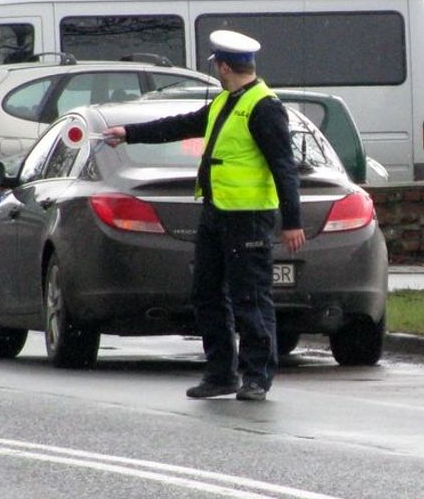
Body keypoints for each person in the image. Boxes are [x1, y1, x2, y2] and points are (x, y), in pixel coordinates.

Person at [102, 30, 304, 402]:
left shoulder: (264, 107)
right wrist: (128, 133)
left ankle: (256, 375)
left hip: (249, 216)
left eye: (216, 65)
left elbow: (284, 166)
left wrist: (293, 220)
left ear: (225, 66)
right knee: (206, 294)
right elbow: (179, 124)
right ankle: (220, 373)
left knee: (251, 298)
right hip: (216, 212)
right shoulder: (226, 101)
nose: (215, 71)